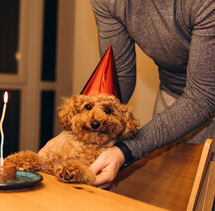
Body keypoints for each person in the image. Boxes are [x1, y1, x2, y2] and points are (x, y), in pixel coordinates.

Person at [40, 0, 215, 189]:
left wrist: (126, 150)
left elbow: (201, 97)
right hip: (174, 93)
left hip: (201, 97)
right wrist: (76, 132)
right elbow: (119, 75)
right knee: (166, 192)